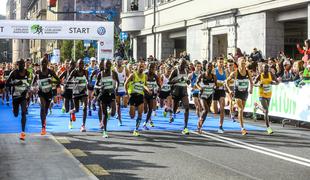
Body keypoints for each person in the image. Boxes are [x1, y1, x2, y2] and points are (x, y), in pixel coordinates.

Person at [226, 57, 254, 136]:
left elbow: (251, 82)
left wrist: (251, 89)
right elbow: (226, 82)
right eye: (242, 63)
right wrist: (230, 90)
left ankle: (234, 106)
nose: (243, 64)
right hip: (237, 92)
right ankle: (242, 128)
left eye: (244, 62)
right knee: (241, 109)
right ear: (238, 64)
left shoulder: (248, 72)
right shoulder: (235, 73)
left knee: (241, 109)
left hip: (245, 92)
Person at [32, 58, 60, 135]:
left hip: (48, 92)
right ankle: (43, 127)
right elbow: (32, 83)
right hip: (41, 92)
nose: (44, 64)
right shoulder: (38, 72)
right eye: (42, 62)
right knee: (42, 107)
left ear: (47, 63)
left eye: (45, 62)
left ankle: (44, 120)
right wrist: (34, 87)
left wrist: (52, 81)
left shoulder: (50, 71)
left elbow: (59, 81)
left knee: (46, 110)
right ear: (40, 63)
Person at [6, 59, 32, 140]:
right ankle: (14, 109)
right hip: (15, 96)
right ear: (17, 65)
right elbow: (7, 83)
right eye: (20, 64)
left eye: (23, 64)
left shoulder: (27, 72)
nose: (22, 65)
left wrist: (28, 88)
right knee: (16, 114)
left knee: (24, 112)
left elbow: (29, 83)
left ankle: (23, 132)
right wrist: (15, 83)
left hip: (23, 95)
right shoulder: (14, 72)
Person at [124, 61, 150, 136]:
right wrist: (126, 93)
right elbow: (126, 83)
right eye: (140, 66)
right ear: (137, 67)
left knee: (140, 113)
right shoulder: (133, 75)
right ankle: (132, 111)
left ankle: (136, 129)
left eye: (143, 66)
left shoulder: (145, 76)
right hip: (132, 95)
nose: (141, 68)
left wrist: (147, 89)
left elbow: (144, 85)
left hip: (140, 96)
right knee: (132, 116)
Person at [254, 63, 279, 134]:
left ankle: (257, 106)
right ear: (262, 68)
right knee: (266, 111)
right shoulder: (260, 75)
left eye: (267, 68)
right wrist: (259, 85)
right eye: (265, 68)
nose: (266, 69)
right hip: (261, 95)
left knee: (266, 110)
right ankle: (268, 128)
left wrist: (273, 82)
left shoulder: (271, 74)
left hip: (269, 95)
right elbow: (253, 83)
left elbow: (277, 82)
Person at [96, 60, 119, 138]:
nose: (108, 65)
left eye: (109, 64)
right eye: (107, 64)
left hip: (111, 94)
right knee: (105, 114)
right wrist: (100, 87)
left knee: (113, 113)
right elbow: (95, 85)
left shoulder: (114, 73)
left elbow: (118, 82)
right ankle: (105, 131)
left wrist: (116, 88)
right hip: (103, 95)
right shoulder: (100, 74)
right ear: (104, 65)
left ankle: (108, 114)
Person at [169, 58, 191, 135]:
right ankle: (172, 114)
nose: (182, 66)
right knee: (174, 108)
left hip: (184, 92)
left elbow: (187, 80)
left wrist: (188, 81)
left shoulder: (186, 71)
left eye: (184, 65)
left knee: (187, 107)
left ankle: (185, 127)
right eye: (181, 64)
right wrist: (177, 80)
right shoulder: (175, 71)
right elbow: (169, 81)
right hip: (176, 92)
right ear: (179, 63)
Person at [67, 59, 89, 132]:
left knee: (85, 107)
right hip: (76, 92)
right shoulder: (74, 71)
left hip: (83, 91)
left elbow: (87, 80)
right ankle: (72, 112)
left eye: (82, 64)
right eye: (79, 64)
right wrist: (73, 83)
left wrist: (88, 83)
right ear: (77, 64)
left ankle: (83, 125)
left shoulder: (85, 71)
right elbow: (68, 80)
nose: (81, 65)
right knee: (76, 109)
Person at [196, 62, 217, 134]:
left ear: (212, 68)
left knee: (206, 111)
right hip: (202, 95)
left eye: (211, 67)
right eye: (208, 67)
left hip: (210, 94)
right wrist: (199, 88)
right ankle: (199, 125)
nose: (209, 68)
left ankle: (200, 125)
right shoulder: (202, 75)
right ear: (205, 67)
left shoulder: (214, 76)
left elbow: (216, 85)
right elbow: (196, 83)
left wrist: (214, 87)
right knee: (206, 109)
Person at [143, 62, 161, 130]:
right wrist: (147, 89)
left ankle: (145, 123)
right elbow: (143, 84)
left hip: (152, 95)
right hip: (144, 94)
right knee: (145, 109)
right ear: (148, 68)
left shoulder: (155, 76)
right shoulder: (145, 75)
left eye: (153, 68)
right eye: (150, 68)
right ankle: (146, 117)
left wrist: (158, 90)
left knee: (150, 109)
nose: (151, 69)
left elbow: (159, 85)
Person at [59, 60, 76, 129]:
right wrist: (62, 85)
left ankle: (70, 121)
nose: (71, 66)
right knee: (66, 109)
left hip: (73, 91)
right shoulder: (65, 72)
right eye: (70, 65)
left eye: (72, 65)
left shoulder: (76, 72)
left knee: (72, 106)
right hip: (67, 91)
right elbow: (58, 78)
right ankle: (64, 107)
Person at [213, 57, 227, 133]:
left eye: (222, 62)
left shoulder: (225, 71)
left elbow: (226, 81)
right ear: (217, 63)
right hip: (215, 91)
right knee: (215, 111)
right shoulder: (214, 71)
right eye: (220, 62)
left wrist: (226, 85)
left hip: (222, 91)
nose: (221, 64)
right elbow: (212, 80)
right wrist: (215, 84)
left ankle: (220, 126)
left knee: (222, 107)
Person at [114, 56, 129, 126]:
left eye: (120, 60)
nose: (119, 62)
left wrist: (127, 86)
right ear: (116, 62)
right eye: (118, 61)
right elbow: (113, 81)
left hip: (123, 88)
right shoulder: (114, 70)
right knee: (118, 104)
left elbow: (129, 77)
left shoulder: (125, 69)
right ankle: (120, 119)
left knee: (125, 105)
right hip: (116, 89)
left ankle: (115, 111)